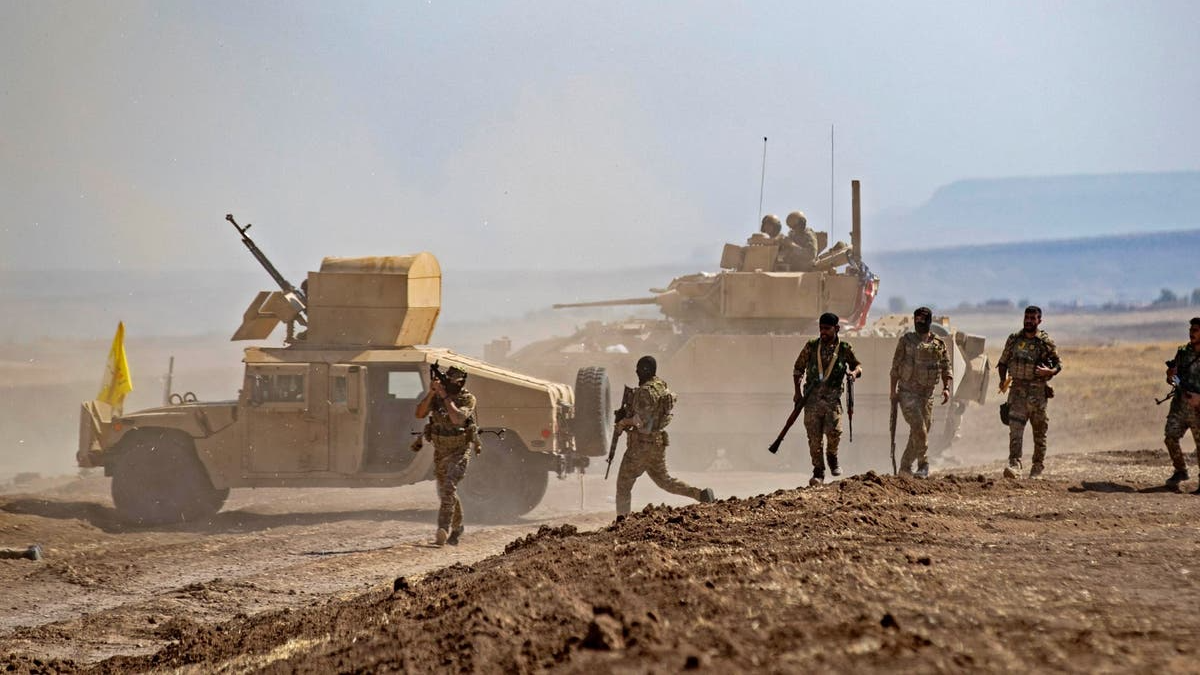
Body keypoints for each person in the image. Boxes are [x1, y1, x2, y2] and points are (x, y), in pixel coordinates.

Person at [615, 356, 716, 516]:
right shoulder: (660, 385)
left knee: (623, 484)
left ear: (645, 370)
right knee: (666, 482)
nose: (636, 372)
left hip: (640, 446)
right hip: (657, 443)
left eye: (639, 369)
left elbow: (640, 421)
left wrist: (623, 422)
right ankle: (701, 495)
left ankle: (622, 520)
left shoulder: (644, 391)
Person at [793, 312, 862, 486]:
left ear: (836, 328)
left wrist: (853, 374)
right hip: (812, 400)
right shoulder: (811, 346)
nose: (823, 332)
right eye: (821, 328)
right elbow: (798, 369)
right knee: (814, 438)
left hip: (832, 400)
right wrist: (797, 392)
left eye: (827, 328)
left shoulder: (844, 348)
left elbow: (857, 366)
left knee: (834, 433)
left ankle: (832, 456)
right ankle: (818, 472)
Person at [415, 364, 478, 546]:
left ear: (462, 382)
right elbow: (419, 413)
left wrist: (444, 395)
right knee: (446, 491)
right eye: (450, 380)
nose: (453, 384)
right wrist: (432, 393)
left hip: (460, 451)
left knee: (449, 487)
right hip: (441, 451)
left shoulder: (467, 399)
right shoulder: (437, 397)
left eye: (456, 381)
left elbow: (457, 419)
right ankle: (458, 527)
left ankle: (443, 528)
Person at [996, 306, 1062, 479]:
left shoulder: (1045, 342)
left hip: (1037, 394)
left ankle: (1037, 467)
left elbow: (1058, 364)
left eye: (1033, 318)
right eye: (1027, 317)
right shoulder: (1014, 340)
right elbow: (1002, 362)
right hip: (1017, 393)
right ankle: (1014, 465)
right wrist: (1002, 380)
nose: (1029, 321)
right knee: (1015, 431)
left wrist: (1050, 371)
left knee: (1039, 432)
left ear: (1039, 321)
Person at [889, 307, 953, 478]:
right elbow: (895, 367)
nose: (919, 323)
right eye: (916, 320)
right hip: (907, 393)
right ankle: (923, 465)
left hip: (927, 395)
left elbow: (946, 367)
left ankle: (905, 466)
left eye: (922, 320)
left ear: (929, 322)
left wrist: (946, 388)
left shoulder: (938, 344)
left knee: (921, 430)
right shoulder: (906, 341)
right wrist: (892, 392)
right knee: (919, 427)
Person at [1162, 317, 1200, 490]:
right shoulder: (1183, 353)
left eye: (1195, 330)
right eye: (1191, 330)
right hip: (1180, 406)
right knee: (1170, 437)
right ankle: (1180, 471)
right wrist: (1171, 376)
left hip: (1198, 409)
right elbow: (1174, 380)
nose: (1191, 333)